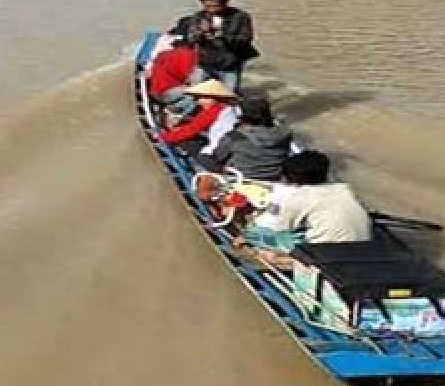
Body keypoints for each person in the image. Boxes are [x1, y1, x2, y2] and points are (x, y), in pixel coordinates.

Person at [241, 150, 372, 270]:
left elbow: (280, 230)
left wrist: (250, 226)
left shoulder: (298, 198)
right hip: (362, 249)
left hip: (326, 257)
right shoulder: (345, 189)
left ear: (288, 178)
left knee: (260, 241)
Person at [182, 0, 258, 92]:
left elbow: (245, 40)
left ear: (225, 3)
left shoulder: (240, 17)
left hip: (230, 65)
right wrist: (201, 33)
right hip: (205, 64)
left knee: (228, 96)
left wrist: (223, 36)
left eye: (216, 6)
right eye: (207, 6)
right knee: (195, 92)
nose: (212, 10)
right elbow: (190, 39)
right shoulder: (199, 17)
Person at [202, 97, 292, 180]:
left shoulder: (234, 137)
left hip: (243, 179)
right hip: (275, 177)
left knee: (204, 158)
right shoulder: (285, 134)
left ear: (244, 118)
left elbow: (217, 156)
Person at [158, 79, 239, 159]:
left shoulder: (213, 111)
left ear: (211, 98)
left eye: (199, 98)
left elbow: (190, 130)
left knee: (185, 140)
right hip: (232, 145)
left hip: (221, 148)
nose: (198, 101)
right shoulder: (231, 108)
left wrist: (163, 137)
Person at [148, 35, 198, 119]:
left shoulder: (162, 54)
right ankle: (176, 110)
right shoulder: (189, 55)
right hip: (168, 93)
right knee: (200, 92)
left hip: (154, 92)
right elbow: (190, 78)